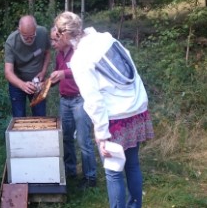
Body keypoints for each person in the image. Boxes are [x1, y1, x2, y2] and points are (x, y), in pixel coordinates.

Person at [54, 11, 154, 208]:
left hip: (116, 116)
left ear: (63, 35)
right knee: (132, 164)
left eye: (57, 35)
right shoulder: (105, 37)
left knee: (113, 171)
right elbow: (130, 68)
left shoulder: (80, 59)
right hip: (137, 109)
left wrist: (101, 134)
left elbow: (94, 100)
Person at [49, 27, 98, 189]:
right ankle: (70, 172)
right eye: (52, 40)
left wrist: (64, 73)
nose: (53, 43)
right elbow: (58, 75)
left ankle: (90, 178)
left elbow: (82, 70)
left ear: (64, 38)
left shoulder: (79, 52)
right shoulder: (59, 55)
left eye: (55, 40)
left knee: (84, 140)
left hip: (80, 100)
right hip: (65, 101)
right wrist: (46, 84)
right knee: (66, 138)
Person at [4, 15, 51, 117]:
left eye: (32, 36)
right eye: (25, 36)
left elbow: (47, 53)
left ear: (36, 29)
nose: (29, 39)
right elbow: (8, 72)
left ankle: (40, 133)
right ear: (19, 30)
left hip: (37, 83)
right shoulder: (11, 42)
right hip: (17, 83)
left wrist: (43, 71)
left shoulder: (42, 33)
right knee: (19, 116)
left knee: (40, 115)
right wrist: (22, 85)